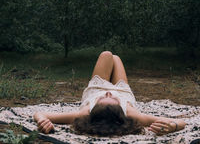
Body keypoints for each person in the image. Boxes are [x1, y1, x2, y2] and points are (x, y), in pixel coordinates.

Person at [34, 51, 186, 136]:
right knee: (116, 58)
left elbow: (40, 113)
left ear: (93, 110)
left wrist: (43, 121)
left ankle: (105, 90)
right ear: (122, 111)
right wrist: (172, 126)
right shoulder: (133, 115)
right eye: (111, 98)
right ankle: (116, 89)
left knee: (107, 55)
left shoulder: (84, 113)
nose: (108, 93)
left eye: (103, 99)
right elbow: (182, 123)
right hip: (122, 92)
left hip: (96, 89)